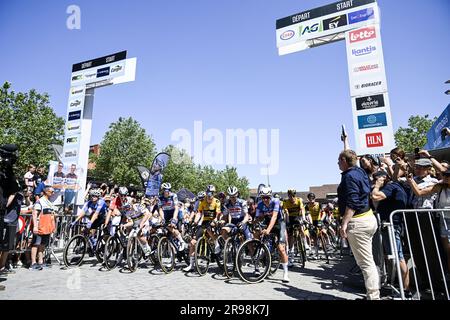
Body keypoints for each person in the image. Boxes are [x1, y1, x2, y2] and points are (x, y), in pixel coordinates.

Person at [337, 149, 380, 300]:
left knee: (366, 264)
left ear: (343, 161)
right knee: (369, 261)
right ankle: (373, 294)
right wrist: (345, 140)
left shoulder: (349, 177)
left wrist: (344, 223)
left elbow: (352, 202)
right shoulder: (360, 171)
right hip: (369, 219)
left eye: (338, 161)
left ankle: (373, 297)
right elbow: (350, 156)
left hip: (358, 223)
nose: (337, 164)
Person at [371, 170, 410, 296]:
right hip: (391, 224)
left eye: (375, 179)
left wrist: (377, 186)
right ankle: (399, 286)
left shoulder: (390, 187)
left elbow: (375, 196)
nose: (374, 183)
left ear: (382, 178)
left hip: (392, 225)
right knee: (393, 256)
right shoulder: (394, 186)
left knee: (398, 257)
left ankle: (406, 290)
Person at [255, 186, 290, 283]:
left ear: (270, 196)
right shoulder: (260, 204)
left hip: (279, 223)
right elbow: (258, 218)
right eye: (263, 197)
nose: (265, 199)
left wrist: (268, 230)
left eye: (267, 197)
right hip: (267, 222)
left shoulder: (276, 201)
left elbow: (274, 217)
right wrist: (255, 221)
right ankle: (261, 256)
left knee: (281, 249)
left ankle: (285, 273)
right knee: (256, 232)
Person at [184, 185, 221, 272]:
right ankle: (191, 265)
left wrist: (215, 220)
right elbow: (199, 213)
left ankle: (216, 243)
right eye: (208, 192)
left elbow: (218, 213)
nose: (209, 194)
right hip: (205, 221)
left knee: (209, 229)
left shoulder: (217, 201)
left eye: (211, 193)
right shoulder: (202, 202)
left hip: (213, 221)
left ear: (214, 193)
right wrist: (196, 221)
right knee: (193, 242)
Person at [30, 186, 57, 270]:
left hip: (47, 227)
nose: (53, 193)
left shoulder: (49, 202)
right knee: (35, 244)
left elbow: (52, 214)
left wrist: (53, 226)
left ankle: (40, 262)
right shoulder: (40, 201)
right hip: (39, 226)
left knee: (42, 245)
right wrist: (35, 226)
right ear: (46, 192)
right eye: (51, 191)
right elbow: (35, 214)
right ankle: (33, 263)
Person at [158, 183, 186, 251]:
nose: (167, 192)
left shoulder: (174, 196)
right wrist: (162, 218)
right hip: (166, 213)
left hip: (175, 212)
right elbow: (160, 209)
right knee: (164, 226)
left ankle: (182, 241)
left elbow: (176, 208)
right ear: (162, 191)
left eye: (168, 190)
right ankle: (172, 246)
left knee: (172, 227)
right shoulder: (160, 197)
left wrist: (174, 219)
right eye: (165, 190)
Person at [283, 189, 307, 266]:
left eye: (293, 196)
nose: (291, 198)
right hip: (290, 218)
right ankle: (291, 255)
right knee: (290, 236)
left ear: (295, 195)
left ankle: (305, 243)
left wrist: (303, 218)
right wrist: (287, 222)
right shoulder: (286, 202)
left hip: (298, 217)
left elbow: (302, 209)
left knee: (301, 228)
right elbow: (286, 212)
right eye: (290, 196)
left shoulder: (299, 200)